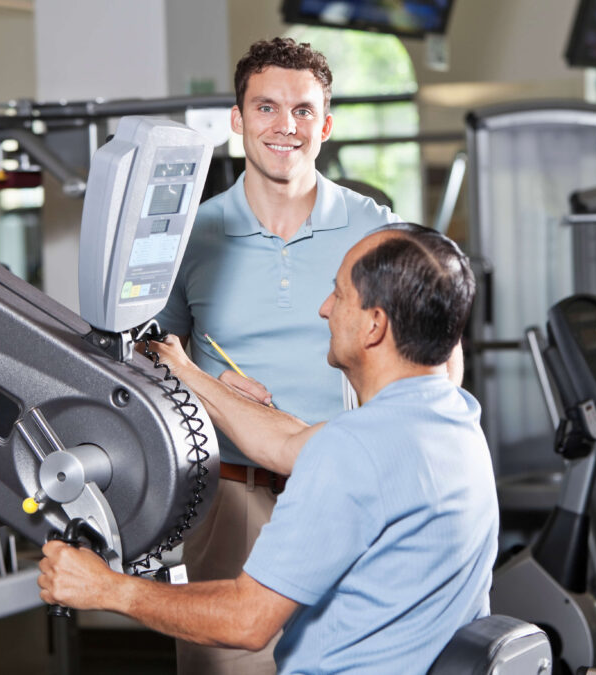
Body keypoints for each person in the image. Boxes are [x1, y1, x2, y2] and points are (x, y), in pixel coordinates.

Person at [38, 225, 498, 674]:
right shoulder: (454, 416)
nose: (324, 310)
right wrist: (184, 372)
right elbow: (291, 444)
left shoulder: (352, 452)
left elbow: (247, 621)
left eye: (338, 295)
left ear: (374, 325)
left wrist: (104, 588)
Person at [155, 37, 401, 673]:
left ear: (326, 124)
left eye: (302, 111)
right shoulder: (192, 233)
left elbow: (426, 353)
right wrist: (206, 385)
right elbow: (155, 355)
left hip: (348, 497)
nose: (284, 127)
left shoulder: (371, 224)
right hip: (233, 499)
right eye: (265, 108)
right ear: (237, 122)